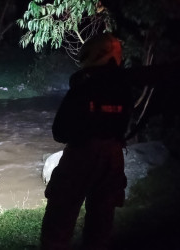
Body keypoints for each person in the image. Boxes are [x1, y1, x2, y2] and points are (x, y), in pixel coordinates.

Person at [41, 33, 133, 250]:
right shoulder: (125, 87)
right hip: (113, 156)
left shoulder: (82, 86)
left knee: (59, 219)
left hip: (81, 156)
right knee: (101, 220)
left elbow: (59, 132)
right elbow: (124, 123)